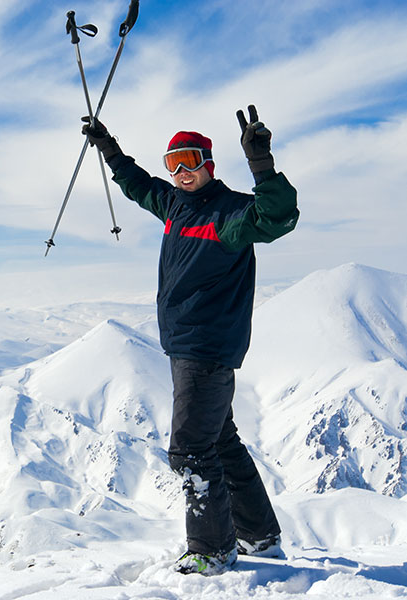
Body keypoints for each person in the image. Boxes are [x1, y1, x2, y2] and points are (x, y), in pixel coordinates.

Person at [81, 105, 299, 575]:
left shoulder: (231, 212)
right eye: (173, 162)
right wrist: (108, 147)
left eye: (190, 161)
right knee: (220, 441)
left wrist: (261, 164)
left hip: (207, 347)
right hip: (185, 344)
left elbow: (278, 217)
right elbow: (138, 186)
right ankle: (259, 536)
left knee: (190, 451)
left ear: (209, 164)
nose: (181, 171)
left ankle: (212, 549)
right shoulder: (176, 206)